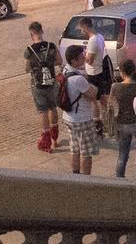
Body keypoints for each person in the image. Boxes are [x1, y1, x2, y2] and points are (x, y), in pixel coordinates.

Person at [24, 22, 63, 153]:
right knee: (53, 108)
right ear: (42, 31)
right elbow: (60, 61)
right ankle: (55, 139)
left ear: (31, 34)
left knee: (43, 112)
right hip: (51, 82)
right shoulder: (51, 46)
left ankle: (46, 143)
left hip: (38, 85)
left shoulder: (29, 50)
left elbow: (27, 68)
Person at [62, 45, 99, 175]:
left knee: (75, 149)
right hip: (82, 119)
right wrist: (92, 88)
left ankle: (75, 175)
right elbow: (92, 95)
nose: (84, 57)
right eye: (81, 56)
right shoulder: (79, 79)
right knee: (86, 152)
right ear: (73, 60)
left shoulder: (65, 71)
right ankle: (86, 179)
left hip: (68, 117)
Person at [109, 59, 136, 178]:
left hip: (122, 124)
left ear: (122, 72)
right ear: (133, 71)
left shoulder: (115, 87)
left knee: (122, 154)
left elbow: (111, 104)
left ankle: (119, 178)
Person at [80, 17, 110, 132]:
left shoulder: (92, 40)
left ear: (85, 27)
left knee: (93, 100)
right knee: (102, 99)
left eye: (81, 29)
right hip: (100, 70)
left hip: (93, 73)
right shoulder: (100, 36)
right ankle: (108, 120)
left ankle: (97, 123)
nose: (81, 32)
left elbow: (90, 60)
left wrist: (83, 55)